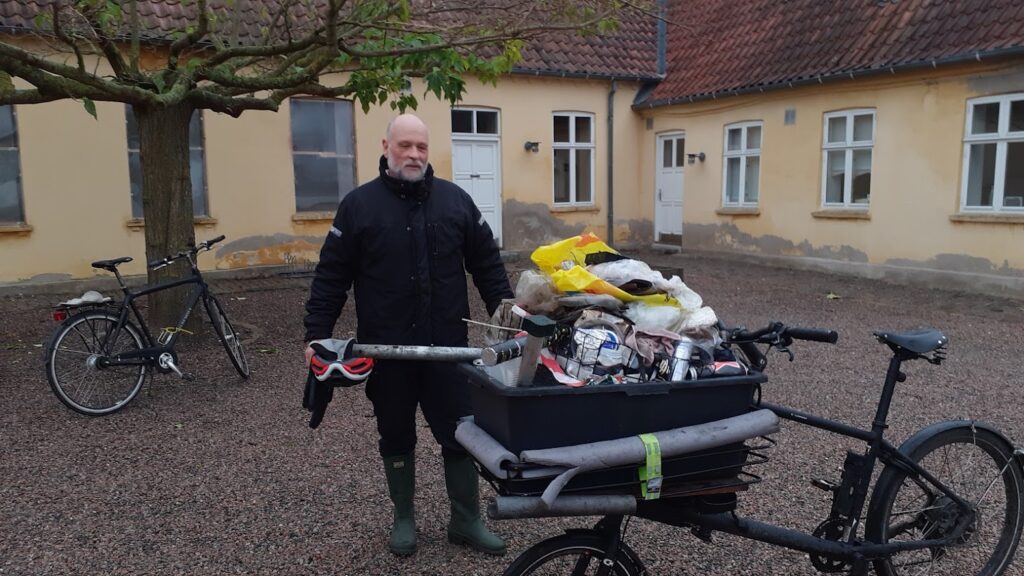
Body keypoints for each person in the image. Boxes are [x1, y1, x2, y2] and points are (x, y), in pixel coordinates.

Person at [303, 113, 514, 557]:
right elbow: (332, 276)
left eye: (421, 146)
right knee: (396, 433)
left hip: (448, 350)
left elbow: (488, 268)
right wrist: (317, 334)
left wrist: (511, 322)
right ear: (386, 147)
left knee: (461, 432)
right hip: (387, 351)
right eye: (405, 146)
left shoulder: (456, 202)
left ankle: (465, 520)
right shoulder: (358, 206)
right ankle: (403, 518)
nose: (414, 154)